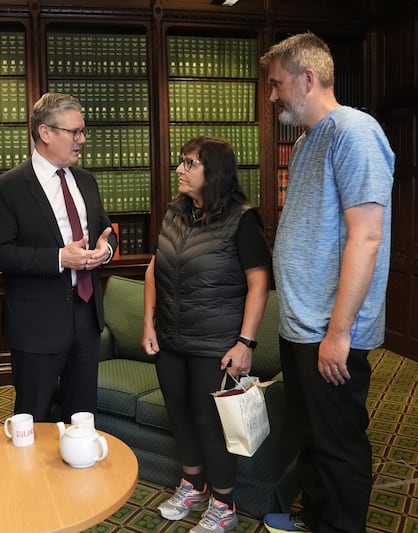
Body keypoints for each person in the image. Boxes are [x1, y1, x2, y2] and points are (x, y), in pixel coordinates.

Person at [259, 33, 395, 533]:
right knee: (310, 437)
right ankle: (316, 520)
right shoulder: (307, 141)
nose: (272, 96)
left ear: (307, 79)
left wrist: (339, 332)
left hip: (330, 330)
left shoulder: (355, 132)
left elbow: (366, 238)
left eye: (276, 85)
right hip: (301, 324)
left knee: (339, 444)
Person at [142, 136, 271, 533]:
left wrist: (245, 343)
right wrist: (148, 322)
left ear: (213, 173)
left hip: (216, 344)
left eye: (189, 163)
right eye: (181, 162)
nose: (179, 169)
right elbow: (153, 268)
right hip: (170, 338)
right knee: (180, 415)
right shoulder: (174, 212)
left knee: (212, 423)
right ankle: (192, 485)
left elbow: (259, 282)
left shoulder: (242, 218)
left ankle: (224, 504)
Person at [0, 92, 117, 422]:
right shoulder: (9, 187)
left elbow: (104, 229)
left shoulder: (86, 181)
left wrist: (107, 249)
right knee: (34, 416)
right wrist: (59, 259)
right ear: (45, 133)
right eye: (75, 132)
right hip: (37, 324)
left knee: (83, 415)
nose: (82, 140)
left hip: (87, 319)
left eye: (83, 132)